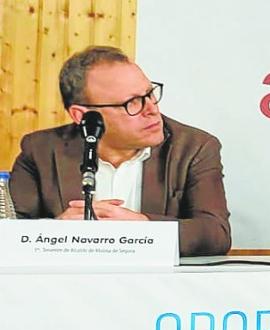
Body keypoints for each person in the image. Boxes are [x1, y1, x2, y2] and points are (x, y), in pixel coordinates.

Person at [10, 46, 231, 256]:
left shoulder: (194, 148)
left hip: (157, 288)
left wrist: (143, 227)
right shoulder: (40, 151)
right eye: (132, 103)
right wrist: (57, 232)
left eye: (150, 94)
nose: (152, 110)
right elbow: (9, 232)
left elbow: (215, 233)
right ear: (83, 116)